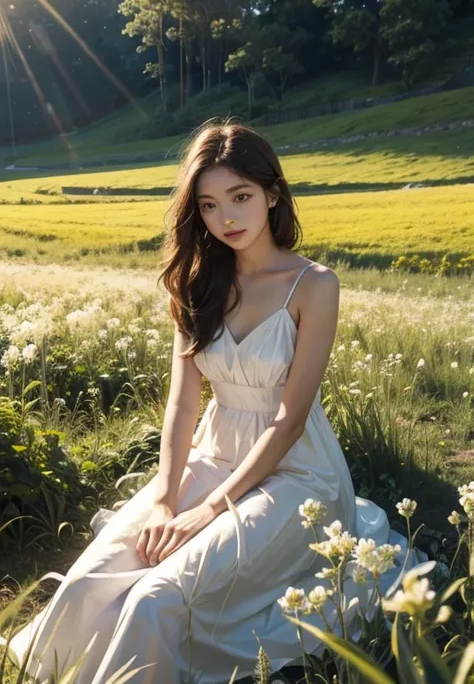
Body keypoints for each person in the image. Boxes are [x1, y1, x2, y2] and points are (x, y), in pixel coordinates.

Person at [4, 119, 425, 683]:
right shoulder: (198, 282)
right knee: (90, 582)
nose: (226, 217)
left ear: (272, 194)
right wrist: (165, 499)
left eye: (241, 197)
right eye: (207, 205)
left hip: (296, 474)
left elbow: (290, 419)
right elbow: (181, 407)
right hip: (212, 453)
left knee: (158, 596)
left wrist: (207, 511)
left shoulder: (314, 285)